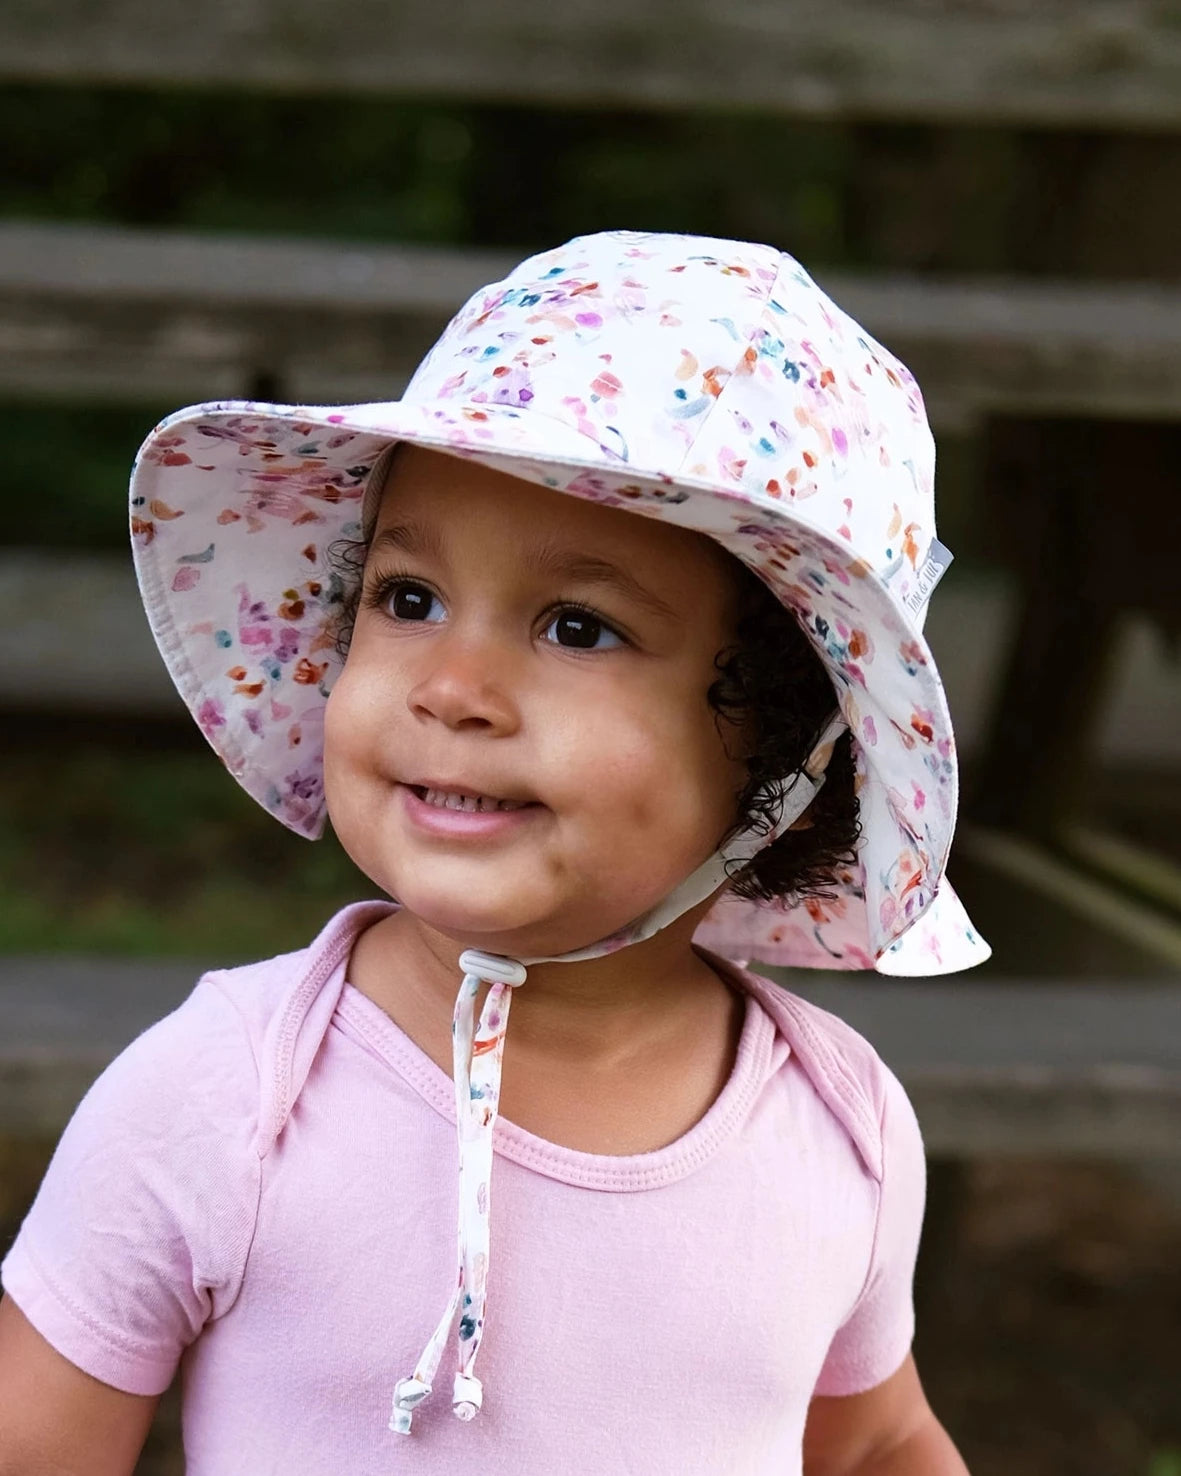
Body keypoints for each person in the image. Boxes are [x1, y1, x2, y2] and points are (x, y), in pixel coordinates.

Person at [0, 230, 987, 1474]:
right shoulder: (228, 1099)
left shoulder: (837, 1132)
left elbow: (873, 1442)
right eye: (406, 600)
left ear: (784, 747)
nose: (453, 687)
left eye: (577, 627)